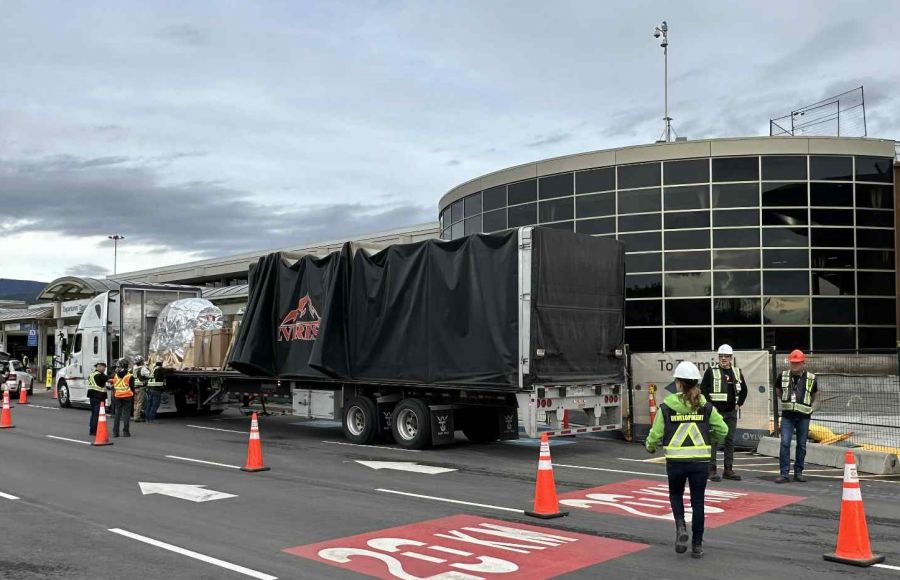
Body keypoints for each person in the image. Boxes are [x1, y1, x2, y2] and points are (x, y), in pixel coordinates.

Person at [646, 361, 728, 559]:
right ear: (696, 383)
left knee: (676, 495)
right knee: (698, 502)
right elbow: (723, 431)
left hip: (675, 463)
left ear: (678, 383)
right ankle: (697, 546)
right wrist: (713, 439)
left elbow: (655, 435)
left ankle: (681, 527)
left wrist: (650, 446)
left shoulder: (666, 407)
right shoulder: (706, 407)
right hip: (700, 463)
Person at [700, 344, 748, 482]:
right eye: (721, 356)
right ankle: (712, 469)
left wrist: (739, 404)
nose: (723, 359)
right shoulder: (711, 371)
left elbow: (744, 390)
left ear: (731, 358)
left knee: (730, 440)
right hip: (716, 412)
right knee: (714, 440)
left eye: (726, 356)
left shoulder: (737, 372)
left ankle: (728, 469)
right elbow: (703, 391)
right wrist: (710, 407)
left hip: (731, 412)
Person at [775, 349, 818, 483]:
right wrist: (786, 400)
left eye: (797, 363)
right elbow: (778, 391)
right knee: (785, 443)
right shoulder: (783, 376)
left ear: (802, 363)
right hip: (788, 415)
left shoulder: (811, 378)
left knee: (801, 445)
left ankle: (798, 472)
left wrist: (807, 405)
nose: (794, 365)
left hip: (803, 416)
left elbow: (814, 394)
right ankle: (784, 474)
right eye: (793, 363)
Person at [111, 361, 134, 437]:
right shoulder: (130, 376)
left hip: (118, 396)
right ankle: (126, 432)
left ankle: (115, 432)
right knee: (126, 415)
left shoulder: (115, 376)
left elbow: (114, 386)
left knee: (117, 414)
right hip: (127, 396)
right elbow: (132, 387)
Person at [87, 362, 110, 436]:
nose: (104, 369)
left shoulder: (91, 374)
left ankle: (91, 429)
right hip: (98, 397)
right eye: (103, 368)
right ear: (99, 367)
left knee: (93, 414)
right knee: (97, 415)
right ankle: (94, 431)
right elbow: (109, 380)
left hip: (92, 396)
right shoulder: (100, 375)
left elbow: (98, 383)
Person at [132, 356, 151, 422]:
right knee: (140, 403)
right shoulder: (143, 368)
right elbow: (149, 375)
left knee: (135, 402)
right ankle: (137, 417)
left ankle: (135, 415)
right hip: (141, 388)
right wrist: (147, 367)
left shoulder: (134, 368)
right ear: (141, 362)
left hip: (135, 387)